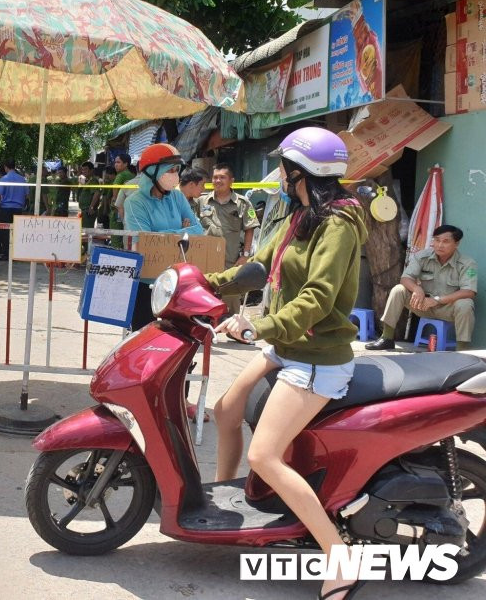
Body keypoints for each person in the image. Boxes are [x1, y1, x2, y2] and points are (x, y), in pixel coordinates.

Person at [207, 127, 368, 600]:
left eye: (282, 166)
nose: (278, 173)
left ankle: (339, 558)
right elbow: (258, 265)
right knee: (226, 410)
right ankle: (225, 507)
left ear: (299, 172)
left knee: (264, 455)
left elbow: (318, 297)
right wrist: (202, 283)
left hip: (316, 357)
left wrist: (261, 327)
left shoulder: (337, 224)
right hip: (289, 347)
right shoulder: (301, 216)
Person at [123, 143, 204, 331]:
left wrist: (162, 236)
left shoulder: (177, 197)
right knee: (143, 337)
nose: (175, 175)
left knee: (177, 338)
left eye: (177, 170)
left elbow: (198, 231)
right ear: (152, 171)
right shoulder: (134, 203)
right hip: (146, 282)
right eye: (171, 170)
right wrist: (181, 231)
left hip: (176, 281)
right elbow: (146, 241)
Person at [366, 224, 477, 351]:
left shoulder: (467, 263)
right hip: (422, 305)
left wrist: (437, 300)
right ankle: (386, 338)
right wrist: (417, 289)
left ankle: (462, 349)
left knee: (466, 303)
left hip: (447, 308)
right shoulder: (422, 256)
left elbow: (469, 292)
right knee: (398, 290)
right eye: (437, 240)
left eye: (446, 241)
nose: (440, 245)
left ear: (456, 244)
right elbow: (405, 278)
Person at [197, 163, 259, 314]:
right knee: (204, 299)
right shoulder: (201, 201)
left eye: (222, 177)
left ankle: (232, 331)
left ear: (231, 180)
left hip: (230, 261)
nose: (218, 181)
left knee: (230, 301)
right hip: (205, 260)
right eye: (215, 177)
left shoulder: (242, 203)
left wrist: (245, 256)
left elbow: (249, 229)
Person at [0, 159, 28, 260]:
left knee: (5, 232)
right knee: (17, 231)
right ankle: (16, 254)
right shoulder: (22, 179)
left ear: (5, 167)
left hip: (5, 209)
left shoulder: (4, 179)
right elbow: (27, 196)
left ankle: (6, 254)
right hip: (18, 209)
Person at [108, 153, 133, 247]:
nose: (116, 164)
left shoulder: (120, 175)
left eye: (118, 162)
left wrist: (114, 201)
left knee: (116, 239)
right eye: (115, 162)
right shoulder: (131, 175)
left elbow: (115, 192)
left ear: (126, 164)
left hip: (118, 211)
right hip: (127, 210)